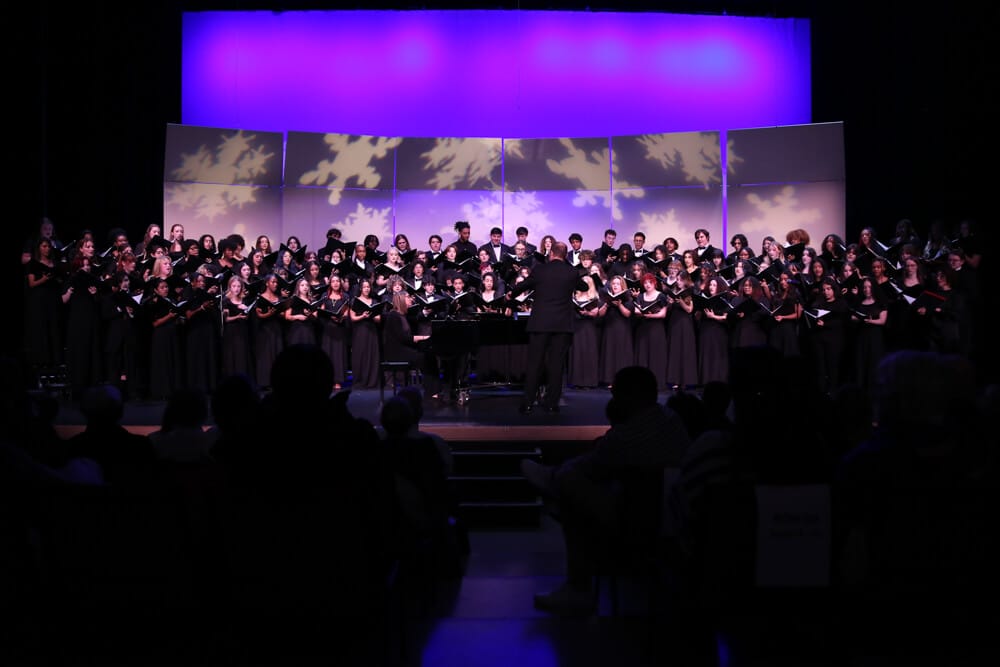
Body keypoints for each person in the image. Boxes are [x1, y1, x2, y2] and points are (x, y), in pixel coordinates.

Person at [520, 365, 691, 613]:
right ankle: (555, 481)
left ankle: (579, 587)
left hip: (642, 522)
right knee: (577, 488)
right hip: (673, 516)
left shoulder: (627, 436)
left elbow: (593, 463)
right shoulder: (671, 420)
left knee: (571, 487)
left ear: (627, 397)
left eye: (616, 393)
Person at [507, 241, 584, 414]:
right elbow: (583, 286)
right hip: (562, 325)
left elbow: (524, 286)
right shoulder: (571, 271)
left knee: (534, 363)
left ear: (551, 253)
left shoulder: (541, 270)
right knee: (557, 365)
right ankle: (551, 403)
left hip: (540, 323)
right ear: (565, 255)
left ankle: (528, 403)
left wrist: (512, 293)